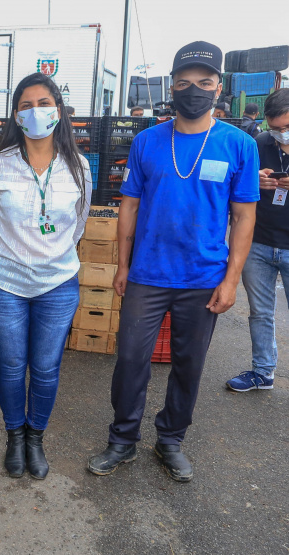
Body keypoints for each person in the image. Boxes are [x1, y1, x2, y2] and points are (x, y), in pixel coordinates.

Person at [87, 41, 259, 483]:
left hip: (203, 277)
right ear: (171, 86)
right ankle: (122, 439)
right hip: (147, 274)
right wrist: (123, 265)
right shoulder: (147, 141)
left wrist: (232, 279)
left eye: (204, 82)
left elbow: (243, 215)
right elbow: (128, 206)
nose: (193, 90)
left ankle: (171, 440)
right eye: (184, 82)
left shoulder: (238, 144)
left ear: (218, 87)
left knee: (188, 364)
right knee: (130, 359)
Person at [0, 73, 91, 480]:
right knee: (10, 366)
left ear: (58, 111)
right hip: (4, 282)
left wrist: (47, 255)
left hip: (58, 284)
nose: (35, 111)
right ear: (15, 115)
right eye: (26, 105)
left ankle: (35, 437)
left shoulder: (78, 166)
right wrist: (17, 254)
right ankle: (13, 436)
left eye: (43, 103)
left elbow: (78, 226)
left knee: (44, 367)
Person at [227, 90, 289, 392]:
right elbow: (236, 188)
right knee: (260, 312)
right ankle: (263, 371)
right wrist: (255, 179)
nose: (281, 134)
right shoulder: (257, 144)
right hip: (260, 242)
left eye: (286, 127)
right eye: (275, 128)